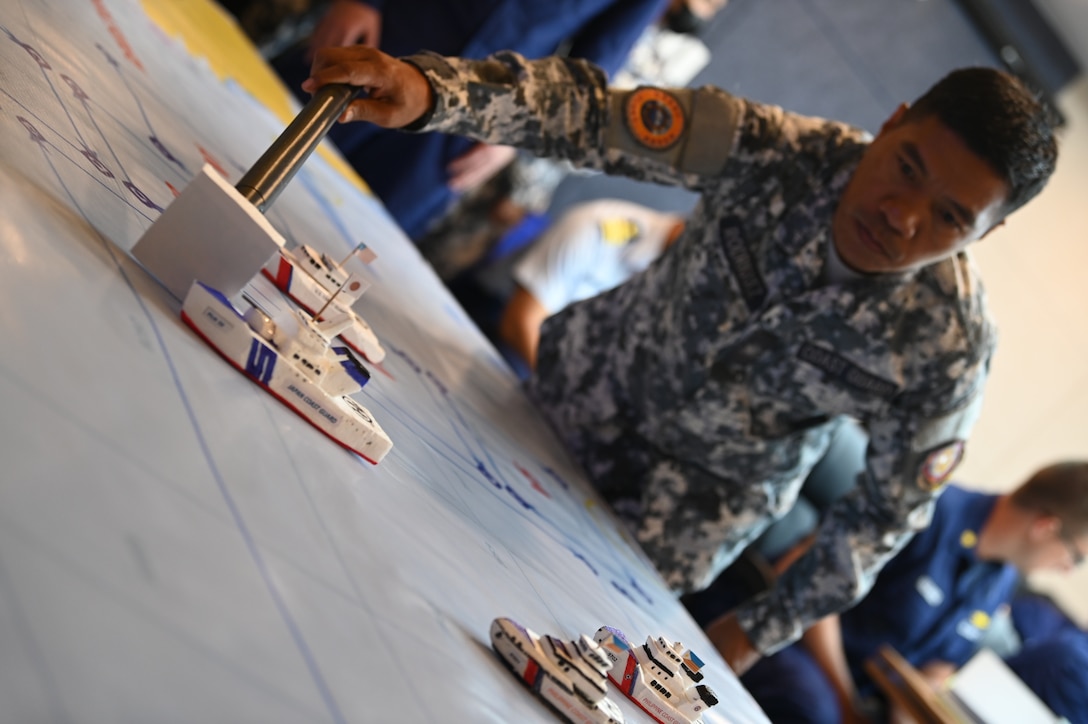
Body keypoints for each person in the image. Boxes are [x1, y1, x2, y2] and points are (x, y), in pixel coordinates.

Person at [301, 45, 1059, 669]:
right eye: (907, 167)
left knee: (498, 675)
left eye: (950, 217)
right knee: (364, 551)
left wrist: (752, 632)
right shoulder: (775, 151)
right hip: (566, 402)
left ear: (982, 236)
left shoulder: (948, 347)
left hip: (670, 528)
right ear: (890, 124)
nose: (903, 216)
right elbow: (592, 115)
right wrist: (435, 91)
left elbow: (885, 517)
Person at [272, 0, 669, 239]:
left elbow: (590, 73)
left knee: (342, 242)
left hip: (466, 124)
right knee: (256, 149)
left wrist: (517, 133)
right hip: (383, 39)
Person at [726, 461, 1088, 723]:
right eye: (1077, 557)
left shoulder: (1001, 582)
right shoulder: (929, 510)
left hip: (860, 698)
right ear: (1045, 526)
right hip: (793, 643)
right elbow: (802, 571)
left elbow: (936, 667)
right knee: (815, 712)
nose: (1068, 570)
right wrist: (846, 700)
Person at [498, 199, 684, 368]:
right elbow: (519, 322)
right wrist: (560, 397)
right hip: (520, 350)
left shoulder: (688, 299)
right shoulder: (597, 228)